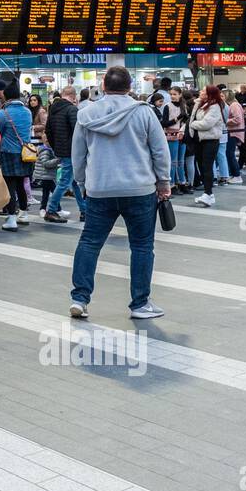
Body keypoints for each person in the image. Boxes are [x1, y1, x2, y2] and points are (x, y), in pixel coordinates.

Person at [68, 66, 171, 320]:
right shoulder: (144, 113)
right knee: (142, 246)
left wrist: (82, 182)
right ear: (130, 87)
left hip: (99, 189)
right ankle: (140, 304)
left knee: (90, 243)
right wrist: (164, 182)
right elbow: (160, 151)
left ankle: (79, 299)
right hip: (140, 189)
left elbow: (78, 154)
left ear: (103, 86)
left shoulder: (86, 114)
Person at [0, 86, 32, 230]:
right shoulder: (27, 112)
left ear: (6, 96)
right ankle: (24, 214)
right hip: (25, 153)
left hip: (8, 152)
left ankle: (11, 219)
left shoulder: (2, 113)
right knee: (21, 184)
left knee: (9, 185)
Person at [44, 85, 83, 221]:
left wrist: (56, 147)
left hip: (60, 150)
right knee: (65, 181)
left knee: (73, 182)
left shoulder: (53, 109)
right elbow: (78, 133)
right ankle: (51, 209)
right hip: (71, 151)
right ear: (74, 96)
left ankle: (84, 210)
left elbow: (48, 130)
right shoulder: (72, 109)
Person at [189, 85, 227, 207]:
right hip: (199, 140)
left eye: (203, 91)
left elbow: (206, 124)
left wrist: (193, 124)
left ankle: (208, 193)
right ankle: (208, 194)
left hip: (210, 140)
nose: (200, 92)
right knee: (201, 166)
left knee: (207, 166)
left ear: (209, 94)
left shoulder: (215, 107)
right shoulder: (200, 104)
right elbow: (191, 119)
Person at [161, 87, 188, 194]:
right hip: (171, 136)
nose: (172, 96)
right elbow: (164, 123)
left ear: (180, 95)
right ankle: (172, 185)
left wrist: (184, 119)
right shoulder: (167, 106)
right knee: (173, 162)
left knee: (181, 161)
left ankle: (182, 182)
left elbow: (186, 121)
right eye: (171, 94)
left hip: (182, 136)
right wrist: (178, 118)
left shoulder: (184, 106)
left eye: (175, 94)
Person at [224, 92, 245, 184]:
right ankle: (234, 174)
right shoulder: (233, 105)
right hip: (233, 132)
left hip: (233, 132)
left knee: (230, 154)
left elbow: (237, 119)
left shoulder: (234, 105)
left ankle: (237, 175)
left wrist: (225, 120)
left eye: (222, 96)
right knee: (229, 154)